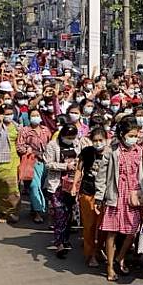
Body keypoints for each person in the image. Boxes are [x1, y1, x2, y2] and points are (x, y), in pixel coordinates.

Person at [94, 118, 143, 282]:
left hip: (133, 196)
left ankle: (121, 257)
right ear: (122, 135)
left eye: (136, 135)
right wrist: (99, 197)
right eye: (131, 135)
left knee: (132, 230)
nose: (135, 138)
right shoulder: (112, 151)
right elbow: (102, 175)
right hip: (115, 195)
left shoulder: (139, 151)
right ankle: (110, 267)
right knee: (112, 232)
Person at [44, 124, 81, 258]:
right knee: (59, 213)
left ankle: (66, 239)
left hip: (71, 184)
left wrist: (77, 165)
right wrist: (65, 166)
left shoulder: (77, 143)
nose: (71, 139)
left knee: (69, 212)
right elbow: (48, 163)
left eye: (73, 137)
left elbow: (80, 159)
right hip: (57, 184)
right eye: (68, 137)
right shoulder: (52, 145)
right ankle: (59, 242)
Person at [76, 126, 108, 267]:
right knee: (89, 226)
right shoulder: (87, 152)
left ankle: (99, 249)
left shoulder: (111, 154)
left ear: (106, 140)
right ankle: (90, 254)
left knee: (103, 226)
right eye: (95, 140)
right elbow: (79, 169)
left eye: (101, 140)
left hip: (105, 194)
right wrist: (74, 186)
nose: (98, 143)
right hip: (87, 191)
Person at [16, 108, 51, 223]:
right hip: (31, 161)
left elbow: (50, 144)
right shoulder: (25, 131)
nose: (35, 117)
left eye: (37, 115)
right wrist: (30, 150)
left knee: (42, 187)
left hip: (45, 162)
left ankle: (34, 206)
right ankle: (38, 212)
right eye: (33, 115)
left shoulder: (45, 130)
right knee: (34, 186)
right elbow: (19, 147)